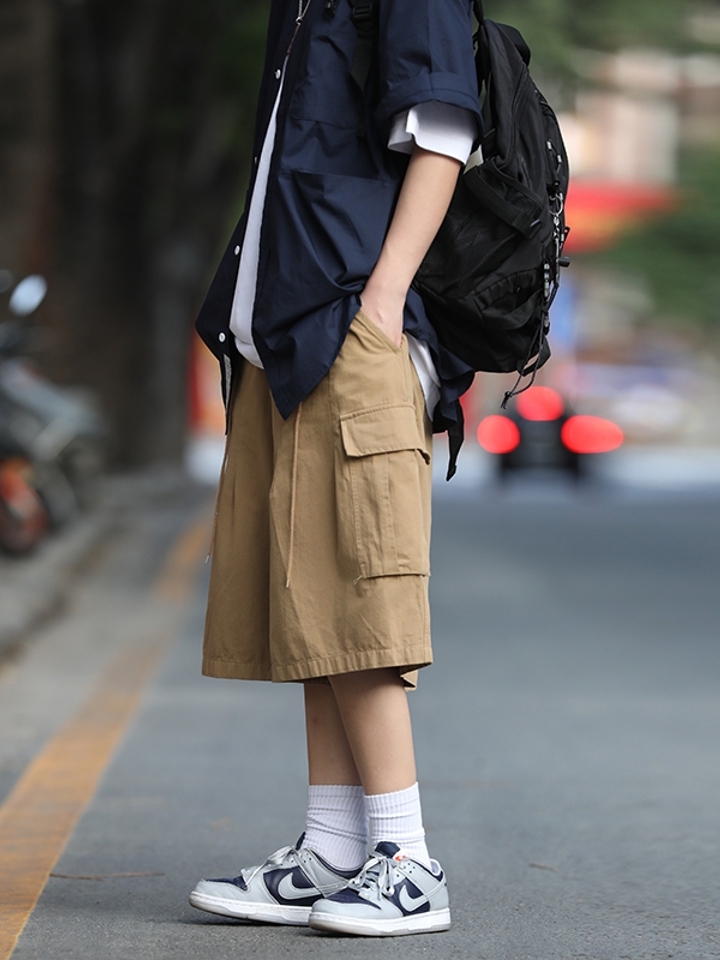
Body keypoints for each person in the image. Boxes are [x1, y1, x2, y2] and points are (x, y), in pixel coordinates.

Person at [189, 0, 481, 937]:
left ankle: (407, 859)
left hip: (352, 329)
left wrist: (383, 300)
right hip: (288, 338)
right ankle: (333, 848)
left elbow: (443, 135)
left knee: (360, 597)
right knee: (314, 600)